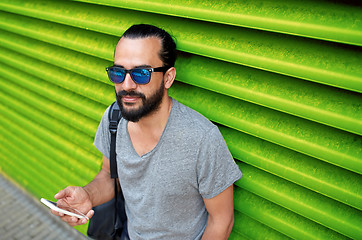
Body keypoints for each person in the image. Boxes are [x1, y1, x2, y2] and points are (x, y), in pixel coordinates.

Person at [52, 24, 242, 240]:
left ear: (168, 77)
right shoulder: (113, 117)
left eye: (141, 73)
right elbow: (108, 175)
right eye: (118, 72)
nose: (127, 85)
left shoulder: (202, 139)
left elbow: (222, 220)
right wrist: (87, 195)